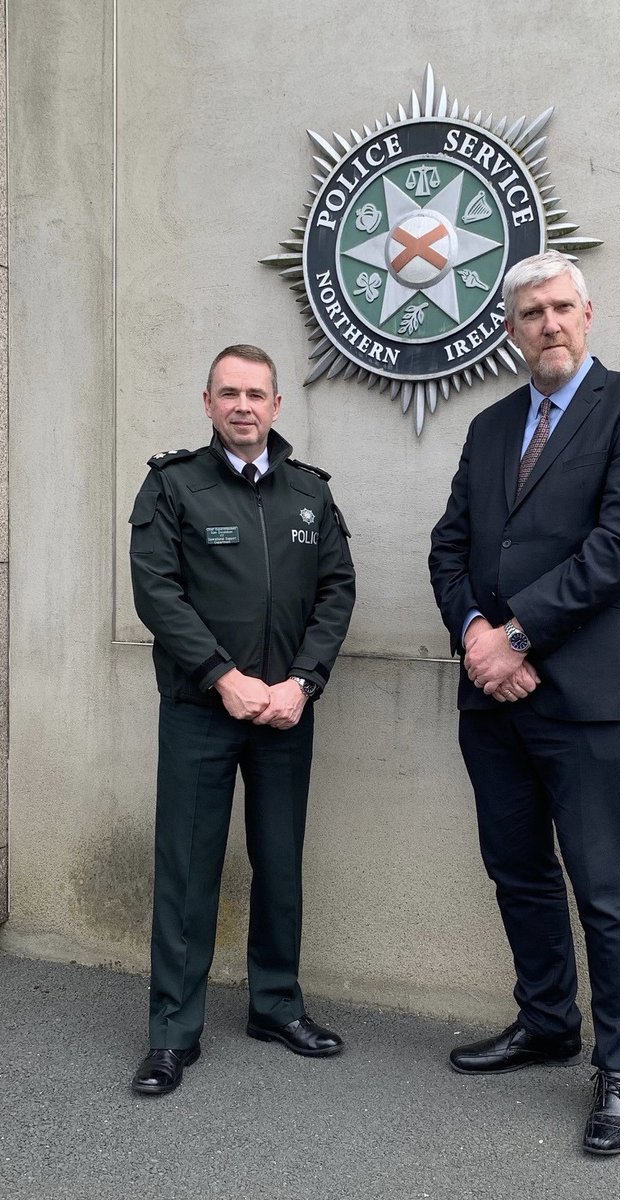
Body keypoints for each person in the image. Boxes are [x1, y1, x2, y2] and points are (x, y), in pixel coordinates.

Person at [428, 251, 620, 1155]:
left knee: (605, 890)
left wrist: (516, 636)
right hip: (492, 700)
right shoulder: (491, 426)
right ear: (509, 329)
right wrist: (473, 637)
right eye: (530, 313)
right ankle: (544, 1023)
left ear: (588, 311)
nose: (549, 325)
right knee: (518, 871)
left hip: (585, 700)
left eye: (561, 307)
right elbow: (447, 547)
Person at [128, 344, 356, 1096]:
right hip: (202, 709)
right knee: (187, 870)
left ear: (277, 405)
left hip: (286, 713)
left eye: (256, 393)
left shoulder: (309, 495)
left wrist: (302, 682)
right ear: (207, 402)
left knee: (280, 863)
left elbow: (335, 593)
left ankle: (275, 1005)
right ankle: (171, 1033)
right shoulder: (173, 487)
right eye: (228, 392)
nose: (242, 406)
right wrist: (222, 677)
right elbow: (158, 592)